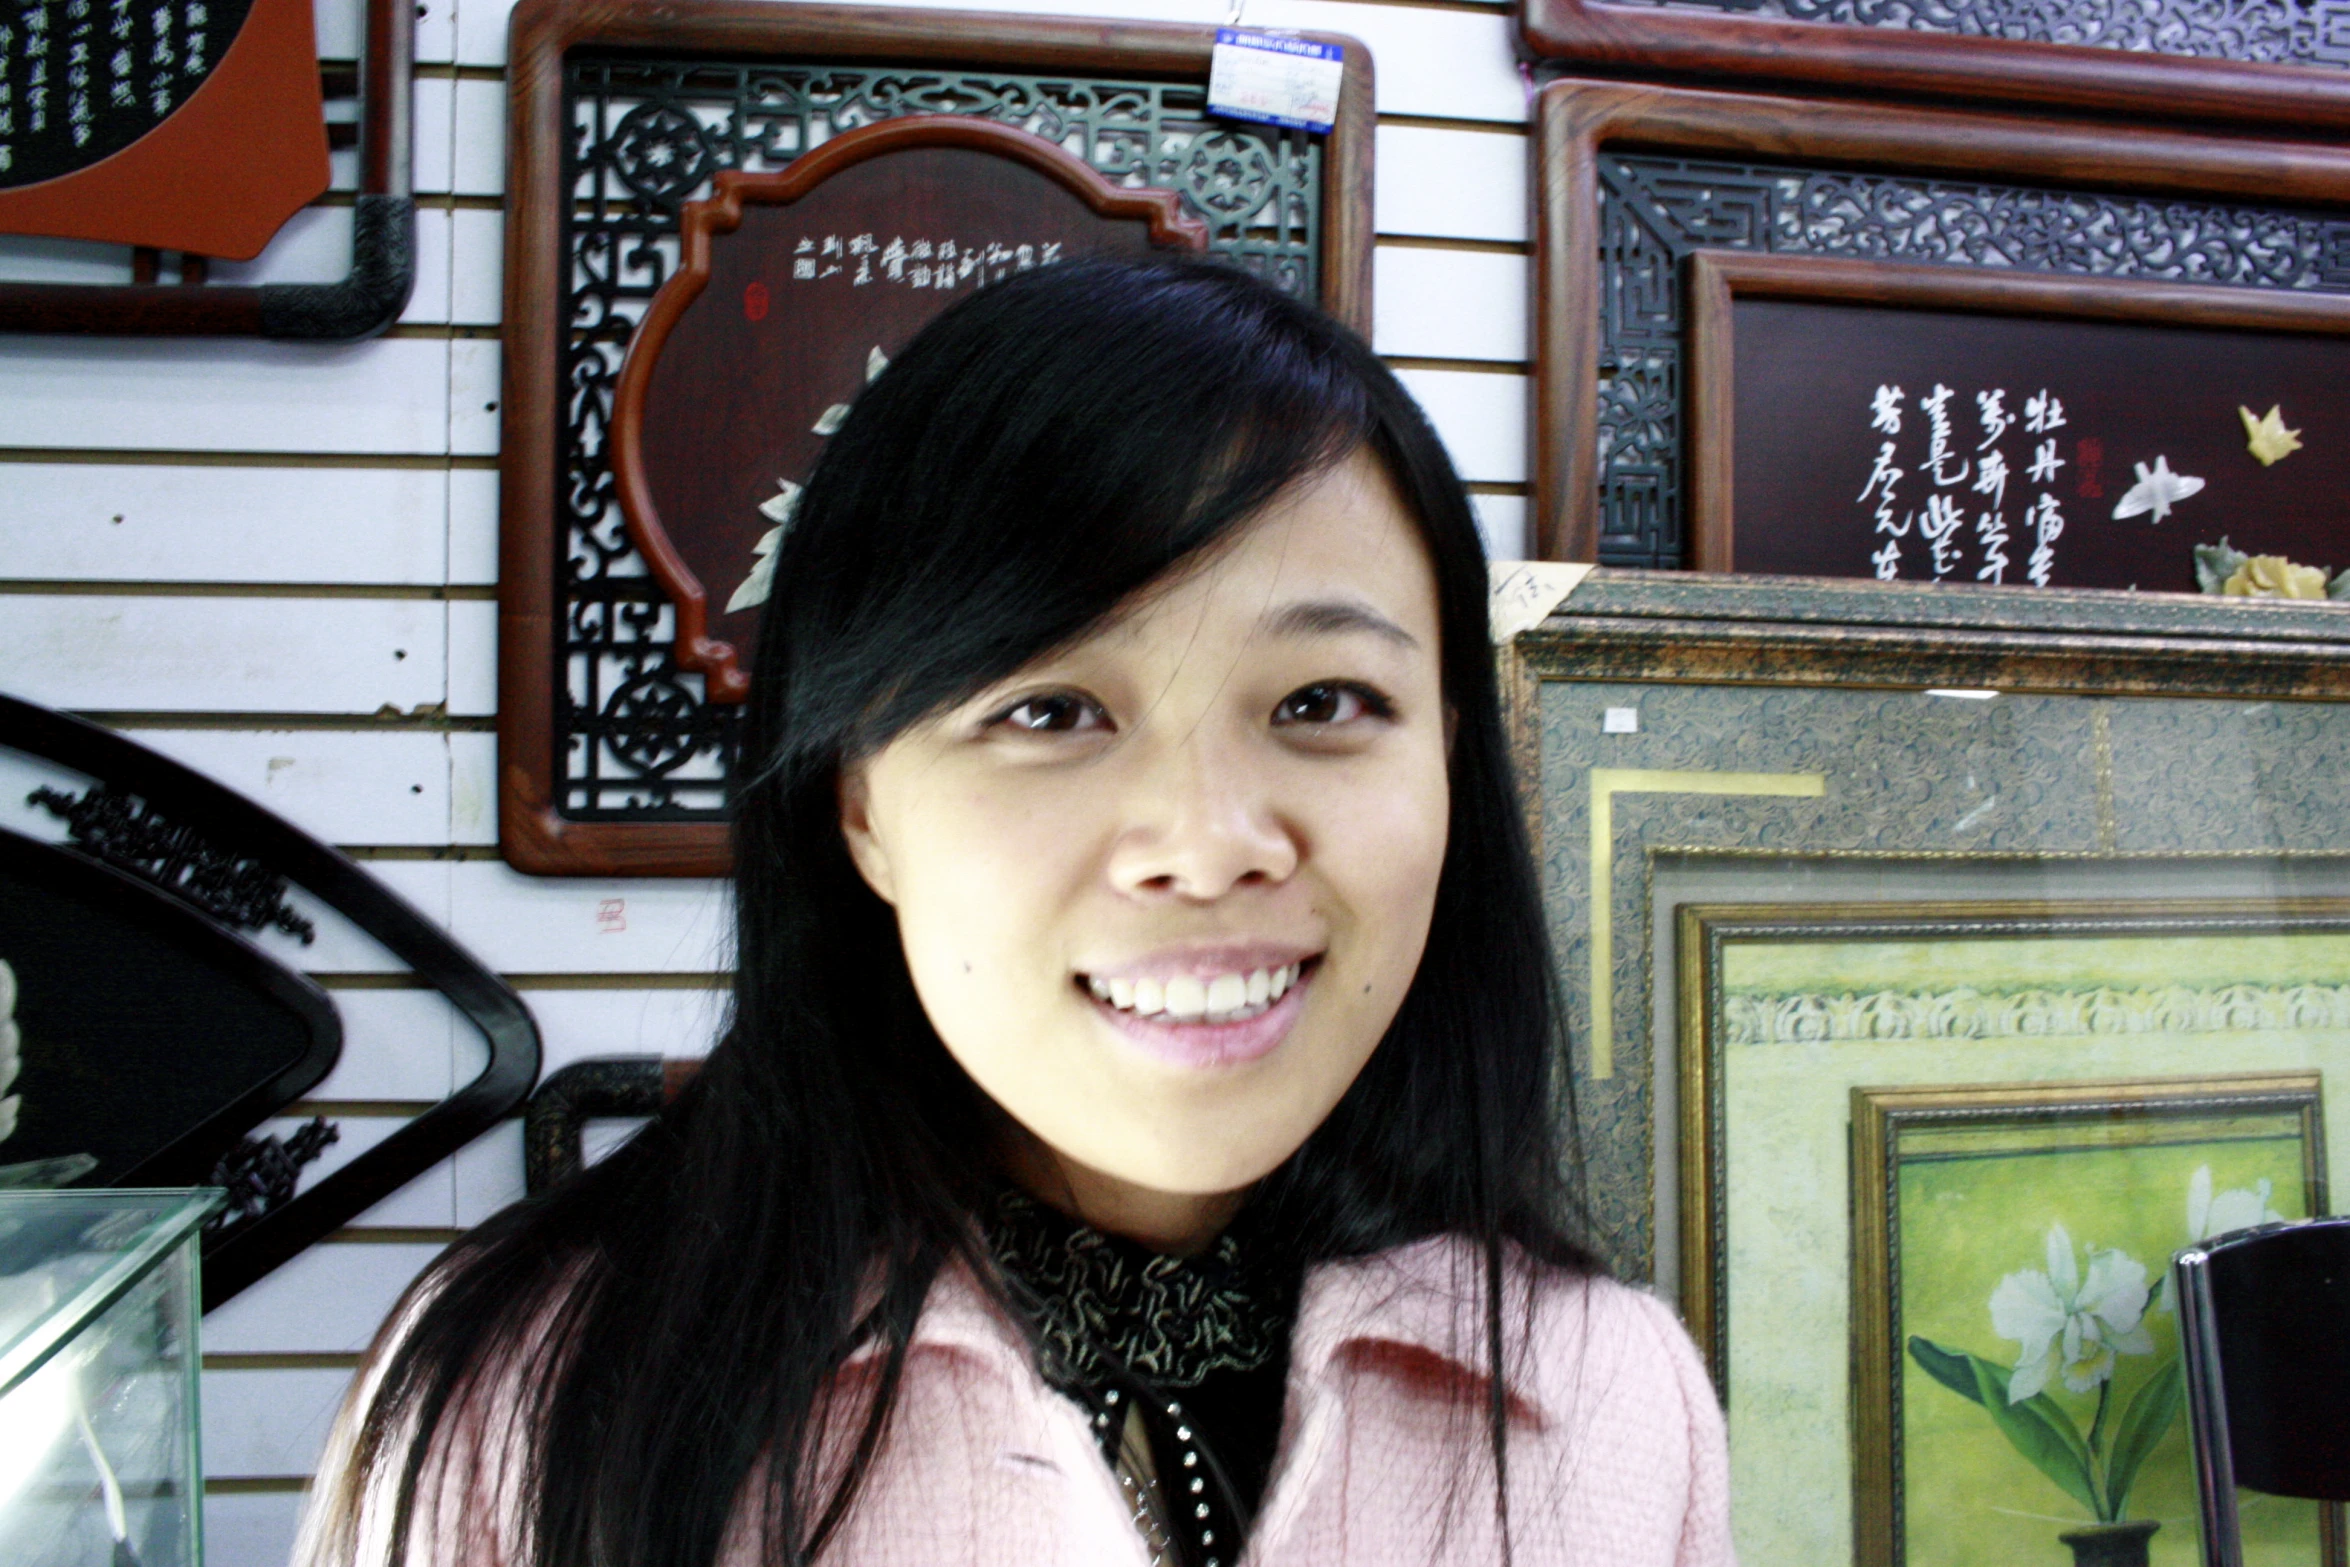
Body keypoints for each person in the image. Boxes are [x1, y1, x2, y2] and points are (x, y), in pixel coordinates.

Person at [295, 257, 1732, 1567]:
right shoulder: (529, 1398)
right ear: (859, 806)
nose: (1207, 843)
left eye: (1320, 702)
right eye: (1050, 708)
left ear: (1448, 757)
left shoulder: (1609, 1396)